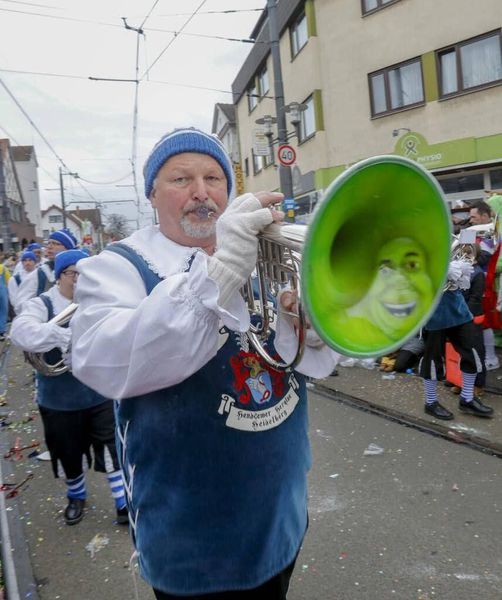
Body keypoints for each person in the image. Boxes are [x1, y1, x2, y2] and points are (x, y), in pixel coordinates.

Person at [70, 128, 338, 599]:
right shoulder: (117, 266)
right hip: (190, 535)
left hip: (280, 512)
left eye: (213, 178)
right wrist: (221, 270)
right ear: (152, 195)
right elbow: (105, 361)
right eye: (181, 179)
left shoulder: (263, 253)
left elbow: (302, 363)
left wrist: (310, 328)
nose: (201, 192)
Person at [10, 249, 128, 526]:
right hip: (59, 399)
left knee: (111, 447)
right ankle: (76, 497)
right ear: (60, 275)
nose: (78, 279)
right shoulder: (43, 304)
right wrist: (60, 335)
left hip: (99, 393)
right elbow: (20, 331)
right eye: (72, 273)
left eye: (84, 273)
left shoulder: (98, 302)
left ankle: (122, 502)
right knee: (68, 451)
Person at [419, 256, 494, 421]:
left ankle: (467, 398)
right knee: (433, 359)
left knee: (472, 352)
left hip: (457, 309)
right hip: (432, 311)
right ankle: (430, 402)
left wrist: (458, 266)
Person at [15, 229, 78, 312]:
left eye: (56, 243)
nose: (49, 247)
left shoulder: (80, 272)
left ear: (68, 249)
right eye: (49, 243)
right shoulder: (40, 273)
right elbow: (20, 305)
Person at [0, 257, 10, 341]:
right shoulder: (3, 268)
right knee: (3, 312)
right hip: (3, 293)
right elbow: (8, 282)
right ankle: (1, 332)